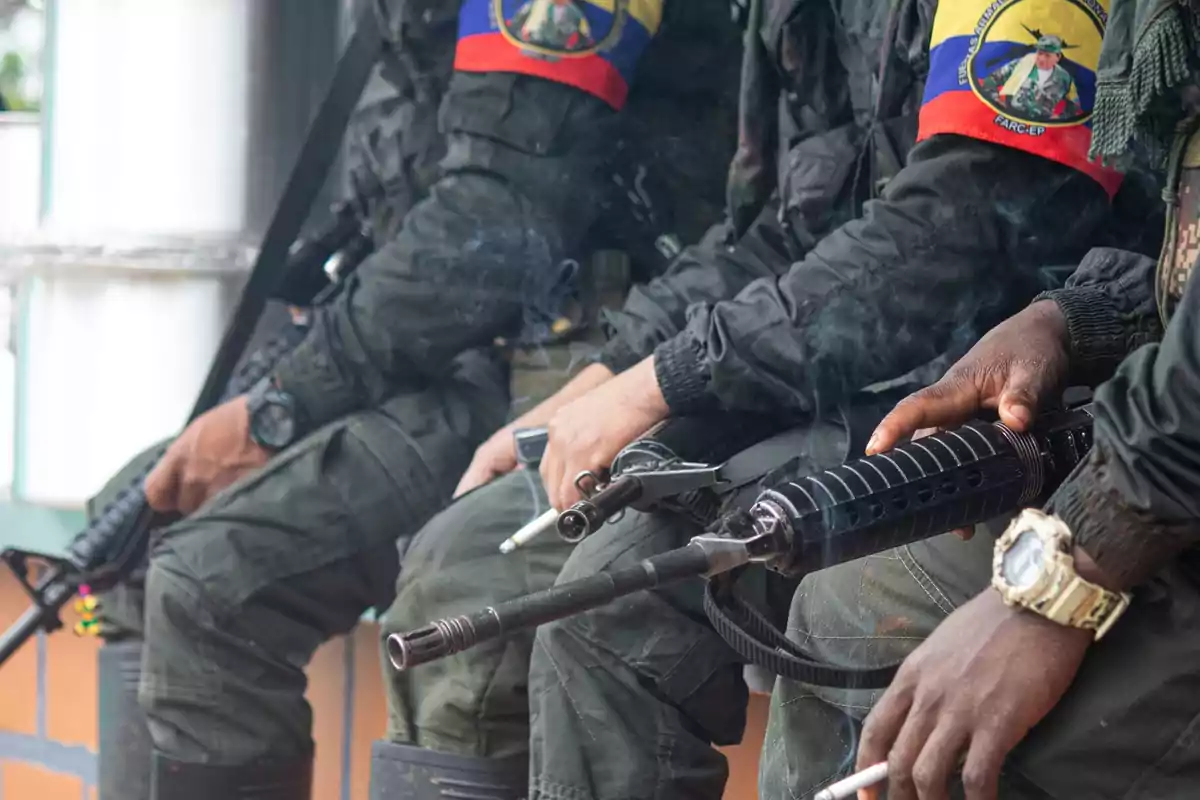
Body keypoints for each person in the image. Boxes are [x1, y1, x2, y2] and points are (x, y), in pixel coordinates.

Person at [378, 0, 1165, 798]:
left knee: (625, 605)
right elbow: (775, 227)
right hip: (816, 380)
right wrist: (612, 378)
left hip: (1006, 405)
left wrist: (665, 380)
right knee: (466, 553)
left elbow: (953, 236)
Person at [85, 0, 743, 797]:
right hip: (460, 366)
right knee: (143, 529)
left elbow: (498, 220)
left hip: (590, 365)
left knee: (423, 597)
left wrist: (277, 412)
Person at [760, 1, 1200, 797]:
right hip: (1160, 434)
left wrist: (1060, 588)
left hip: (1162, 474)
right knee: (841, 606)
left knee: (981, 749)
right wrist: (1070, 317)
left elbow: (953, 229)